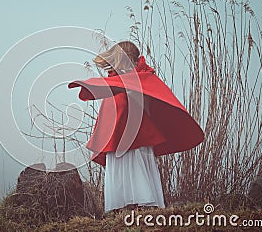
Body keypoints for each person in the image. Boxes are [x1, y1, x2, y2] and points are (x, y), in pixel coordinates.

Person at [68, 41, 204, 212]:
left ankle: (141, 205)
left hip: (137, 134)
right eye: (132, 58)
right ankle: (128, 207)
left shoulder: (141, 78)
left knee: (136, 160)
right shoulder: (115, 81)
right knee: (123, 161)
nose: (135, 62)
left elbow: (149, 104)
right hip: (119, 134)